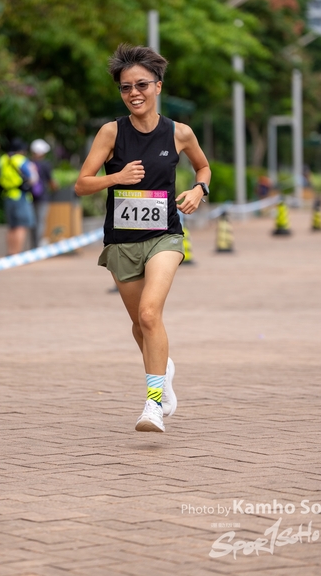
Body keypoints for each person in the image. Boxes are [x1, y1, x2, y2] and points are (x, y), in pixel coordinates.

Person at [75, 44, 211, 433]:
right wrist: (117, 178)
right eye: (125, 87)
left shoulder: (179, 132)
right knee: (140, 324)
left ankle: (153, 404)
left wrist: (199, 190)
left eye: (141, 85)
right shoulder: (111, 132)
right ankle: (163, 370)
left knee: (150, 314)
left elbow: (203, 167)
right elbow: (82, 184)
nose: (134, 93)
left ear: (158, 86)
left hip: (164, 236)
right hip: (121, 242)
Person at [0, 138, 36, 255]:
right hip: (21, 196)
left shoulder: (2, 159)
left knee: (11, 227)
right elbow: (33, 178)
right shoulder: (21, 160)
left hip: (7, 195)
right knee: (21, 226)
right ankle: (17, 254)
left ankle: (10, 253)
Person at [30, 139, 59, 247]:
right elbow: (51, 182)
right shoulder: (45, 164)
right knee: (41, 221)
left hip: (30, 197)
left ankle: (33, 245)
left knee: (33, 222)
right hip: (43, 197)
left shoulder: (28, 163)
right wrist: (56, 188)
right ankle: (38, 245)